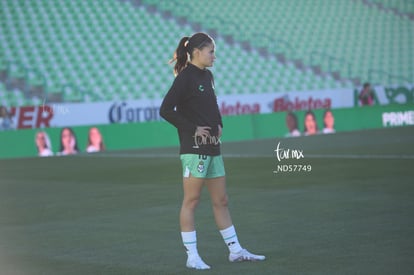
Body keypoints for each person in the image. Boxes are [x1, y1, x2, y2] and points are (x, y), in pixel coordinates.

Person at [159, 33, 265, 270]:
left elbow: (212, 105)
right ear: (197, 52)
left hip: (213, 148)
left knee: (222, 200)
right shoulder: (185, 77)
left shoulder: (207, 76)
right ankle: (192, 256)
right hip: (194, 149)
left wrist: (219, 124)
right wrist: (193, 128)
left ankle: (236, 251)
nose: (214, 56)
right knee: (192, 200)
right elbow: (166, 110)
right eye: (211, 51)